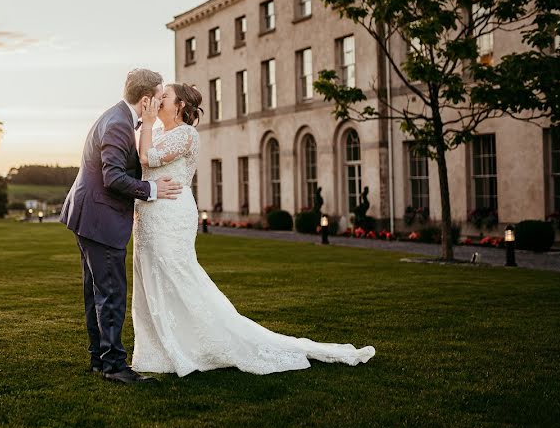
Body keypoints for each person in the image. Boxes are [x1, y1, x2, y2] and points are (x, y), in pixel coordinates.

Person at [130, 83, 375, 376]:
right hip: (148, 215)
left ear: (180, 105)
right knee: (151, 277)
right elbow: (139, 166)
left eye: (164, 97)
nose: (158, 101)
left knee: (178, 275)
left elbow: (148, 158)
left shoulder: (186, 134)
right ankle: (159, 350)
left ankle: (206, 343)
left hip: (172, 214)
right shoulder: (155, 132)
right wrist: (146, 128)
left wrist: (144, 124)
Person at [59, 69, 182, 384]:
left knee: (97, 292)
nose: (158, 103)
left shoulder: (118, 117)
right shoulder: (117, 124)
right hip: (100, 219)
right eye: (157, 98)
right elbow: (113, 177)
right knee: (111, 292)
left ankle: (100, 360)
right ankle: (114, 366)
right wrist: (153, 190)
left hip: (89, 217)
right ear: (145, 100)